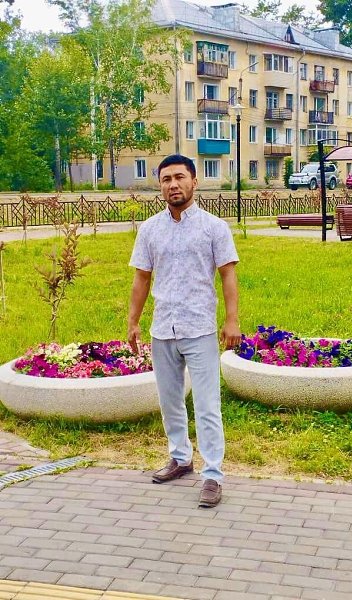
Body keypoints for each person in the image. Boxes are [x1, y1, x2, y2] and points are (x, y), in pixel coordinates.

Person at [127, 154, 240, 508]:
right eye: (166, 179)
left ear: (194, 181)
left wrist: (232, 320)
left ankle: (213, 475)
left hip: (199, 327)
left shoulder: (213, 228)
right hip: (163, 328)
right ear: (160, 185)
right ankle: (180, 457)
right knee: (170, 401)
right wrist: (133, 321)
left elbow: (228, 274)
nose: (173, 185)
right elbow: (141, 277)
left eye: (179, 177)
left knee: (207, 405)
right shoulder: (150, 229)